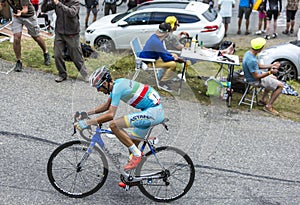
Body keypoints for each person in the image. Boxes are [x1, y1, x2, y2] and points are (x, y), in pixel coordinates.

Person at [74, 66, 165, 171]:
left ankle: (137, 155)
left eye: (98, 87)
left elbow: (110, 115)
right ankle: (132, 179)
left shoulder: (117, 88)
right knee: (131, 143)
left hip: (153, 112)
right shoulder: (118, 83)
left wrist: (87, 122)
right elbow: (106, 106)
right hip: (152, 111)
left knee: (113, 125)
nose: (98, 90)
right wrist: (86, 113)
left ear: (105, 83)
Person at [41, 0, 89, 83]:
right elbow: (44, 9)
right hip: (60, 32)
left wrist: (59, 4)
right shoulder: (58, 1)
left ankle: (85, 75)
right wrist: (45, 1)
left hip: (72, 33)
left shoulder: (75, 2)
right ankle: (62, 74)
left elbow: (72, 13)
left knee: (76, 56)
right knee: (57, 55)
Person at [0, 0, 51, 72]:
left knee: (36, 36)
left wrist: (20, 12)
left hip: (29, 16)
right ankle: (18, 61)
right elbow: (2, 4)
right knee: (16, 37)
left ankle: (46, 52)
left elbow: (25, 9)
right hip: (16, 16)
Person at [242, 37, 283, 115]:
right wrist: (270, 72)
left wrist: (272, 65)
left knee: (274, 78)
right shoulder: (252, 60)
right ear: (260, 49)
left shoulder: (249, 53)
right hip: (253, 80)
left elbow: (259, 66)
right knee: (280, 86)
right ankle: (268, 106)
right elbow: (257, 77)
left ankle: (263, 99)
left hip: (252, 76)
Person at [139, 22, 184, 92]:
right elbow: (165, 59)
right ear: (167, 33)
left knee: (173, 55)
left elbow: (163, 51)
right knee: (173, 64)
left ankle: (165, 78)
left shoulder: (156, 37)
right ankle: (163, 83)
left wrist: (172, 55)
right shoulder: (157, 42)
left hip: (151, 58)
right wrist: (175, 59)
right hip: (149, 62)